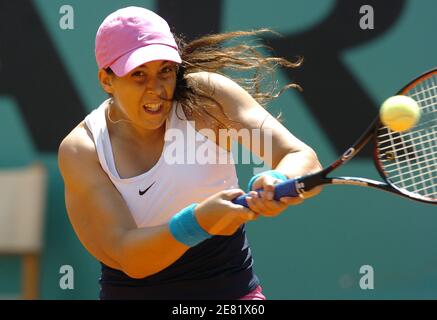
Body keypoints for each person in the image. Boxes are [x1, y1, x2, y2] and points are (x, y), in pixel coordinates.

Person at [58, 6, 322, 300]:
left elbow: (302, 157)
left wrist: (278, 178)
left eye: (166, 71)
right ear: (107, 80)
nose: (156, 89)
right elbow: (130, 257)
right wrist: (200, 220)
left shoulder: (208, 99)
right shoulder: (83, 149)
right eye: (139, 75)